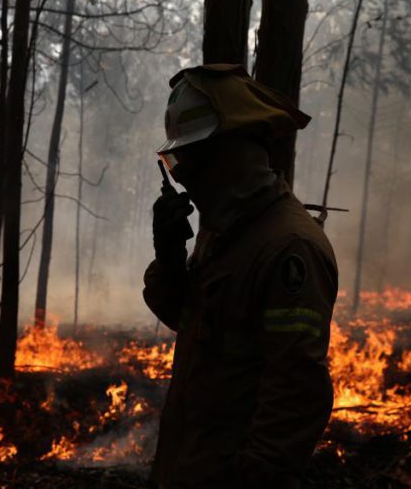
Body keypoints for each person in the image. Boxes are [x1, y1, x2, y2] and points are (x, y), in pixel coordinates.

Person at [145, 64, 338, 489]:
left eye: (189, 160)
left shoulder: (289, 249)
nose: (182, 176)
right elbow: (187, 320)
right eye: (175, 162)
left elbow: (296, 396)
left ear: (229, 153)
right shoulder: (226, 231)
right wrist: (169, 258)